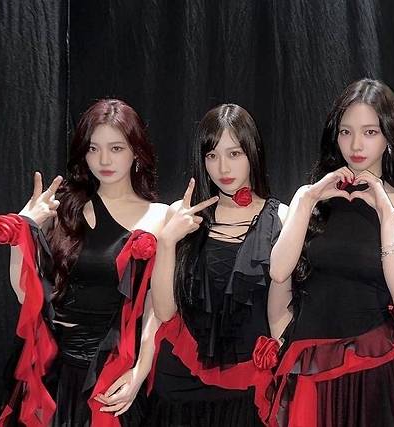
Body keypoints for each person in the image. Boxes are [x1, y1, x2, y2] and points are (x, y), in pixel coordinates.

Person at [0, 99, 168, 426]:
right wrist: (24, 230)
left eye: (116, 148)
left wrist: (139, 371)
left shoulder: (160, 217)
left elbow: (158, 308)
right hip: (53, 374)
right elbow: (26, 296)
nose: (104, 160)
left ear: (136, 151)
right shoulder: (63, 210)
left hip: (111, 376)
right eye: (93, 148)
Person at [266, 78, 394, 427]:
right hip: (310, 362)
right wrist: (308, 199)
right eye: (346, 132)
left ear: (389, 135)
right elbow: (279, 271)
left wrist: (384, 210)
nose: (356, 145)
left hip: (373, 365)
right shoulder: (310, 197)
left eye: (370, 132)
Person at [147, 104, 290, 426]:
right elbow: (165, 312)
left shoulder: (282, 218)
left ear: (252, 152)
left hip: (245, 387)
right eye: (212, 155)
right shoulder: (181, 214)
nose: (223, 167)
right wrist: (167, 242)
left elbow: (280, 312)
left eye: (234, 153)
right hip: (180, 382)